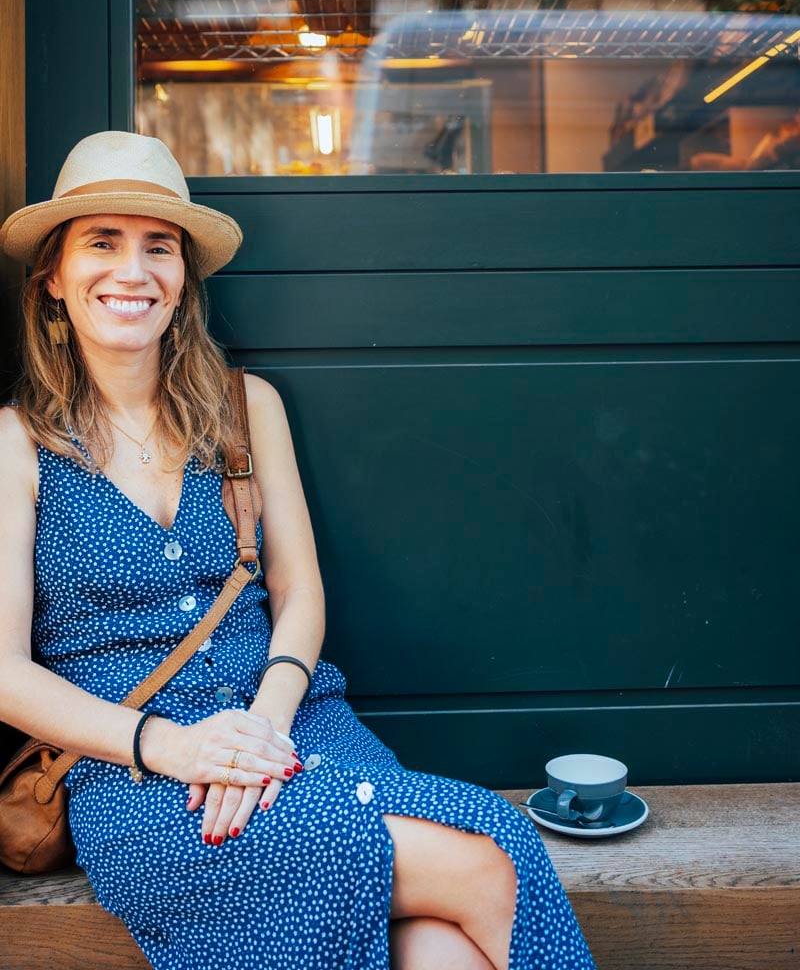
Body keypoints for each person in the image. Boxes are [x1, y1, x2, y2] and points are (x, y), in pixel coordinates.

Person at [0, 130, 597, 970]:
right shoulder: (16, 446)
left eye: (158, 247)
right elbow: (4, 673)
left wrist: (263, 728)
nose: (133, 271)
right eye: (103, 242)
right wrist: (177, 747)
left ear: (183, 280)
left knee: (436, 945)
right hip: (141, 778)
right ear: (53, 280)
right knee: (489, 855)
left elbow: (300, 592)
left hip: (297, 726)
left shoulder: (250, 409)